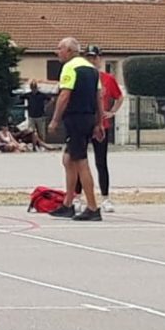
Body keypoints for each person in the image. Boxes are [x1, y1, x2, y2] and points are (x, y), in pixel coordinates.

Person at [47, 38, 103, 221]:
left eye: (60, 48)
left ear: (70, 51)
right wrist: (99, 122)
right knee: (68, 160)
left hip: (76, 119)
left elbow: (65, 95)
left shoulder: (70, 67)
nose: (57, 52)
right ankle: (67, 204)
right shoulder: (92, 70)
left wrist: (55, 120)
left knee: (81, 162)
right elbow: (98, 98)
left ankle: (93, 207)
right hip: (88, 118)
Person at [73, 45, 121, 212]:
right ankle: (77, 196)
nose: (92, 60)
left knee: (101, 162)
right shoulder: (81, 77)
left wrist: (112, 112)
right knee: (80, 161)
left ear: (100, 59)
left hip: (101, 125)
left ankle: (105, 198)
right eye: (89, 57)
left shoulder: (107, 79)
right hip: (85, 123)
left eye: (94, 57)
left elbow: (119, 97)